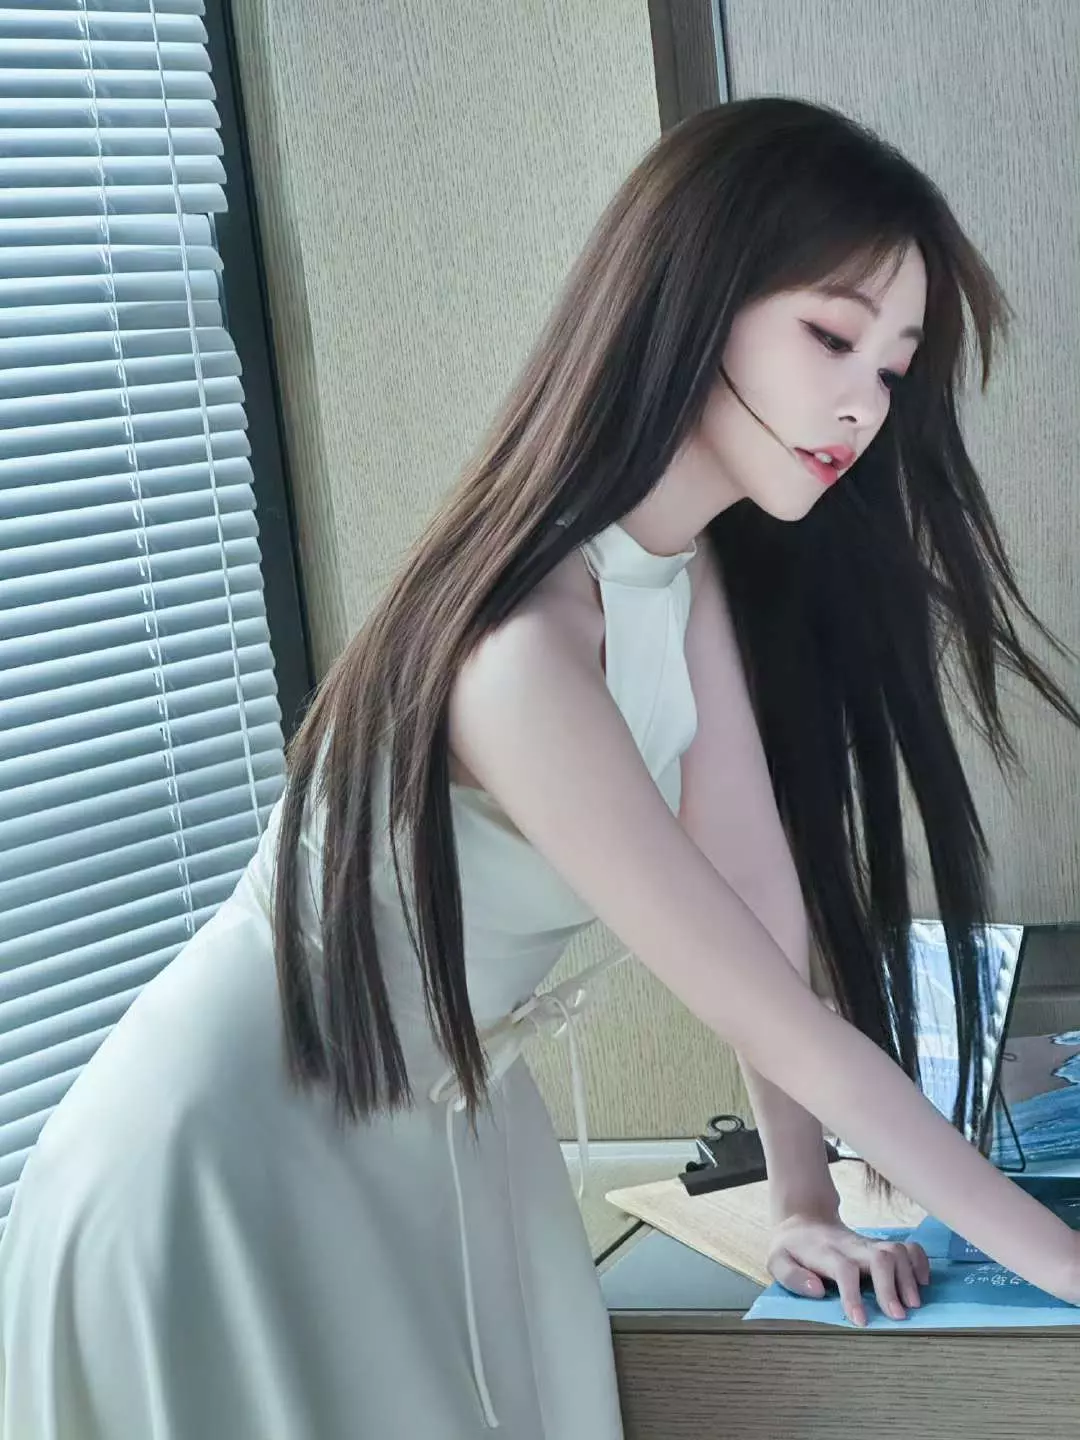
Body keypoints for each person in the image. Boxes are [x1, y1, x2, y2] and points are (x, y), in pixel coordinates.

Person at [2, 95, 1079, 1440]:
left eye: (896, 366)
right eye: (830, 336)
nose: (865, 401)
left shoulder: (677, 574)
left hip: (439, 1119)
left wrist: (803, 1199)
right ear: (694, 302)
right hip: (242, 1146)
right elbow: (773, 1009)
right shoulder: (522, 654)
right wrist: (1065, 1264)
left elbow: (761, 908)